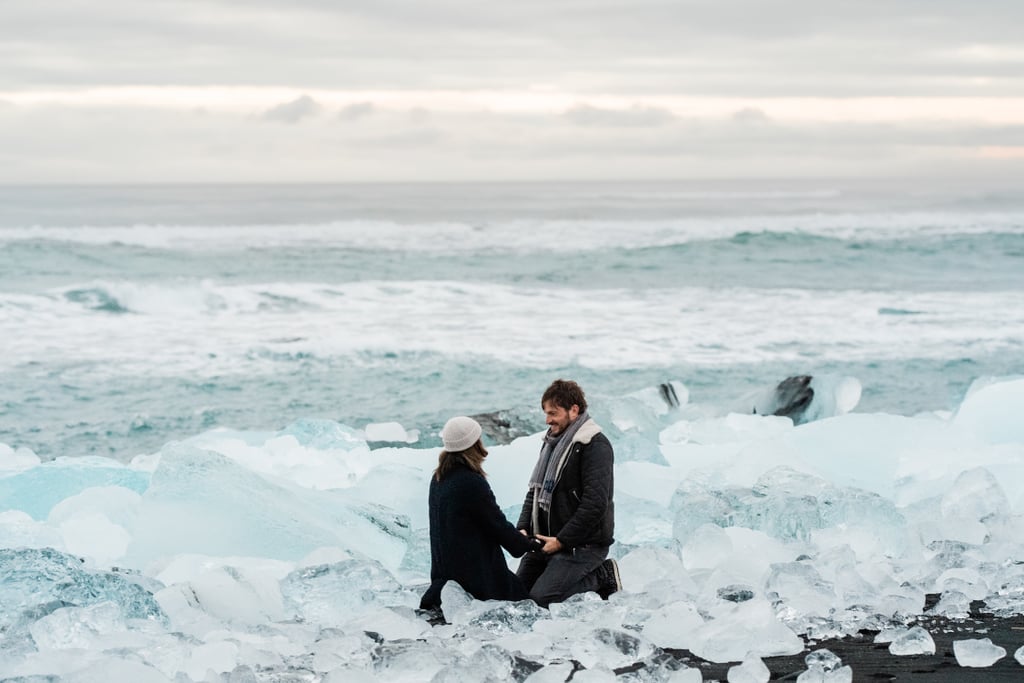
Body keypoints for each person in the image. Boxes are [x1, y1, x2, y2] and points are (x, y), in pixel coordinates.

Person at [516, 379, 622, 606]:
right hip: (545, 541)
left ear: (574, 410)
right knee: (517, 598)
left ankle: (603, 575)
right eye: (546, 413)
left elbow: (595, 504)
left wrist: (563, 541)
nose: (548, 420)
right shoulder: (552, 443)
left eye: (553, 413)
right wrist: (523, 528)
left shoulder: (595, 446)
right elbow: (534, 492)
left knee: (543, 600)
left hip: (582, 545)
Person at [420, 415, 542, 610]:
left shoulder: (438, 479)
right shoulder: (471, 483)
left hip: (445, 581)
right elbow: (497, 525)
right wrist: (528, 543)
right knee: (531, 609)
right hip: (477, 583)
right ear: (474, 444)